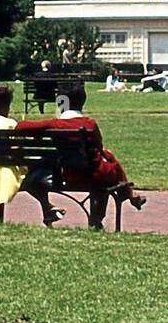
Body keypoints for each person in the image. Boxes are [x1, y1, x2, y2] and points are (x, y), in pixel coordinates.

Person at [16, 83, 143, 228]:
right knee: (106, 164)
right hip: (93, 175)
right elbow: (99, 149)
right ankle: (99, 217)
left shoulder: (55, 124)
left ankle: (127, 196)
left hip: (68, 175)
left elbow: (21, 127)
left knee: (104, 164)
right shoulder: (90, 124)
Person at [0, 84, 64, 226]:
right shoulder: (10, 124)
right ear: (5, 106)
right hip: (9, 176)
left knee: (32, 174)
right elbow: (20, 153)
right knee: (36, 176)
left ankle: (48, 208)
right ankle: (47, 210)